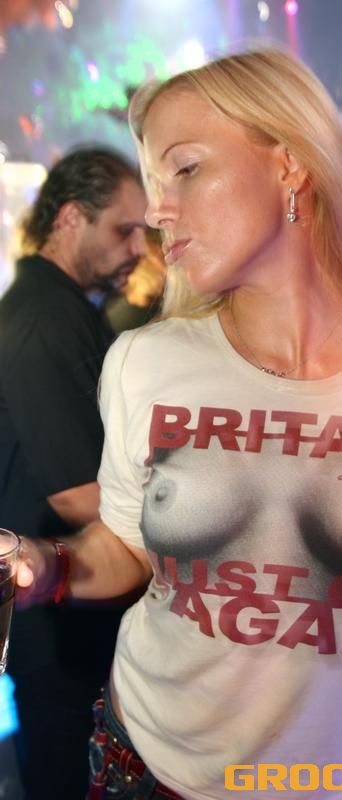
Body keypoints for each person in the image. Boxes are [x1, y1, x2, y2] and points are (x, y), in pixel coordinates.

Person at [17, 50, 342, 800]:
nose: (158, 212)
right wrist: (43, 565)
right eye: (156, 184)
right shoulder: (145, 362)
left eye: (185, 169)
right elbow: (126, 546)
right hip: (149, 769)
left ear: (289, 164)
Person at [0, 146, 147, 800]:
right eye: (124, 229)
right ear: (69, 218)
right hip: (56, 622)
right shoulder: (44, 317)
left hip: (71, 606)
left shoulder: (64, 307)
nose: (139, 247)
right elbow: (78, 494)